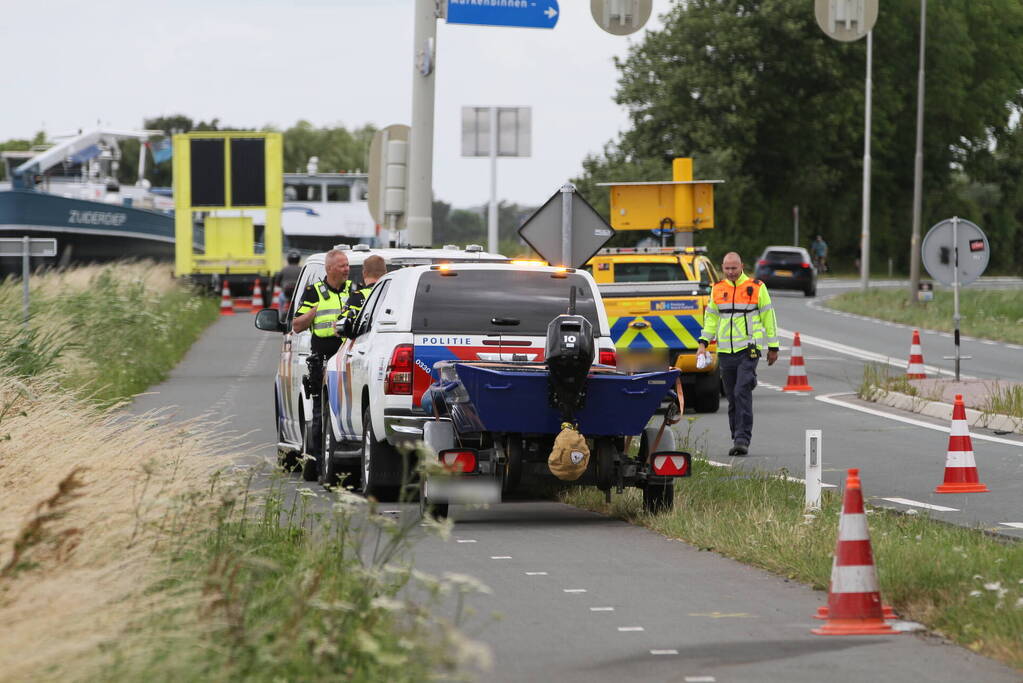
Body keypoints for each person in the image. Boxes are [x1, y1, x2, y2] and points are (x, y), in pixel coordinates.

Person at [696, 252, 779, 456]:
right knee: (732, 396)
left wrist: (773, 347)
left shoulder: (757, 287)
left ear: (742, 266)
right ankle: (736, 436)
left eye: (734, 268)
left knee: (742, 391)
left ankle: (742, 439)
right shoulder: (717, 289)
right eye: (727, 268)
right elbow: (711, 319)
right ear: (722, 268)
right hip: (725, 352)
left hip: (749, 349)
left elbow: (769, 318)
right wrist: (703, 343)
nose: (731, 272)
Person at [292, 249, 357, 473]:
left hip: (349, 359)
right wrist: (313, 312)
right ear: (329, 269)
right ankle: (321, 466)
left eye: (347, 265)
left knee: (347, 409)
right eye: (342, 266)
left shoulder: (354, 290)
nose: (347, 269)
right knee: (321, 412)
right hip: (323, 360)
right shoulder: (314, 292)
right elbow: (297, 325)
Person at [336, 254, 386, 336]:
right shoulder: (393, 294)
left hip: (366, 341)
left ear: (364, 273)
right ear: (385, 273)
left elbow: (341, 326)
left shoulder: (358, 296)